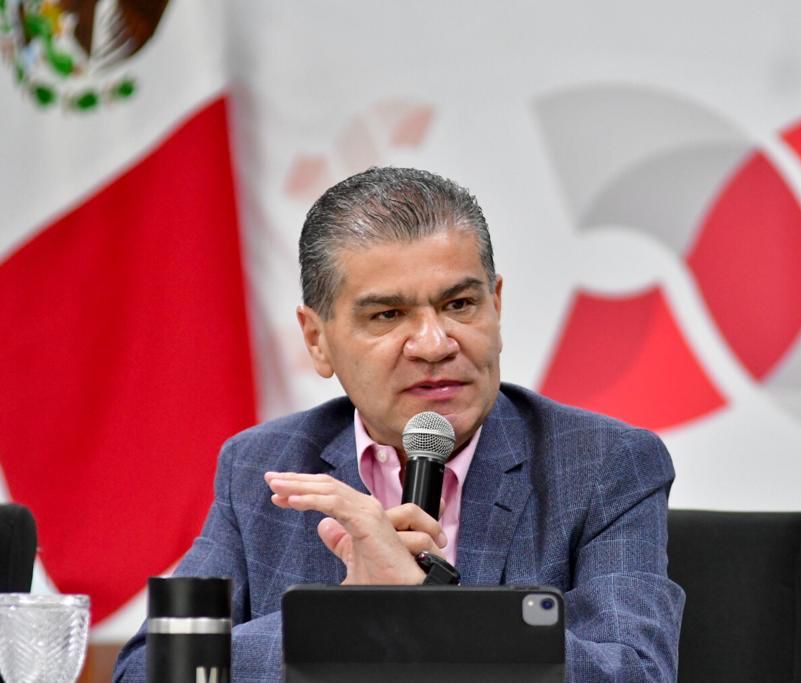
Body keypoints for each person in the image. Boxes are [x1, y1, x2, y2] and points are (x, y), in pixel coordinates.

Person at [114, 167, 684, 682]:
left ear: (496, 305)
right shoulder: (265, 467)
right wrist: (344, 616)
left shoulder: (601, 463)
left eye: (459, 305)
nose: (435, 344)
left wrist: (423, 607)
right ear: (317, 339)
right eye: (388, 315)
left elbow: (635, 673)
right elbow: (150, 671)